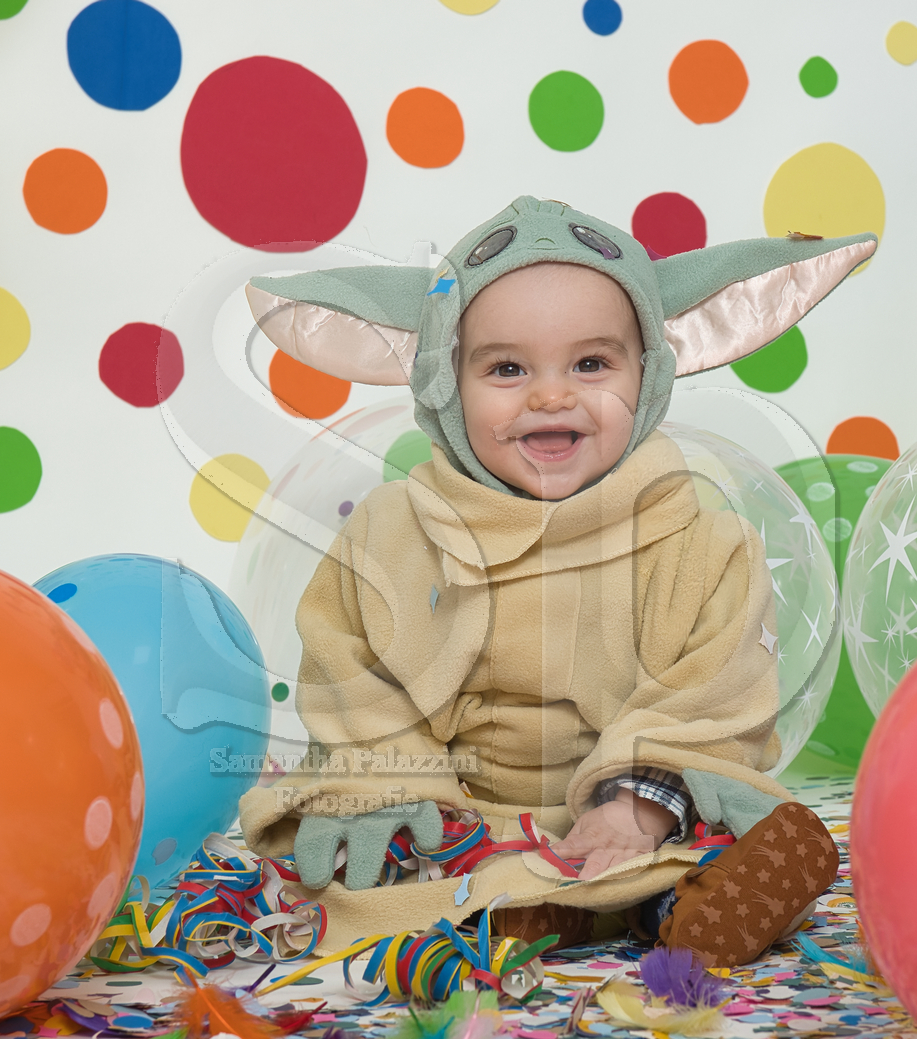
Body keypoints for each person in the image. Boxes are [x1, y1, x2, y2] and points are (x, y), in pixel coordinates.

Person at [237, 197, 874, 967]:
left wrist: (637, 805)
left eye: (591, 364)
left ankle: (656, 896)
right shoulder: (392, 533)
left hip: (630, 813)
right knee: (344, 853)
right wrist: (397, 793)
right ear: (443, 382)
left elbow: (711, 696)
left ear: (649, 373)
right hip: (460, 812)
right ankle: (547, 907)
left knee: (766, 831)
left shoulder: (700, 540)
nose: (550, 395)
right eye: (506, 368)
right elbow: (350, 677)